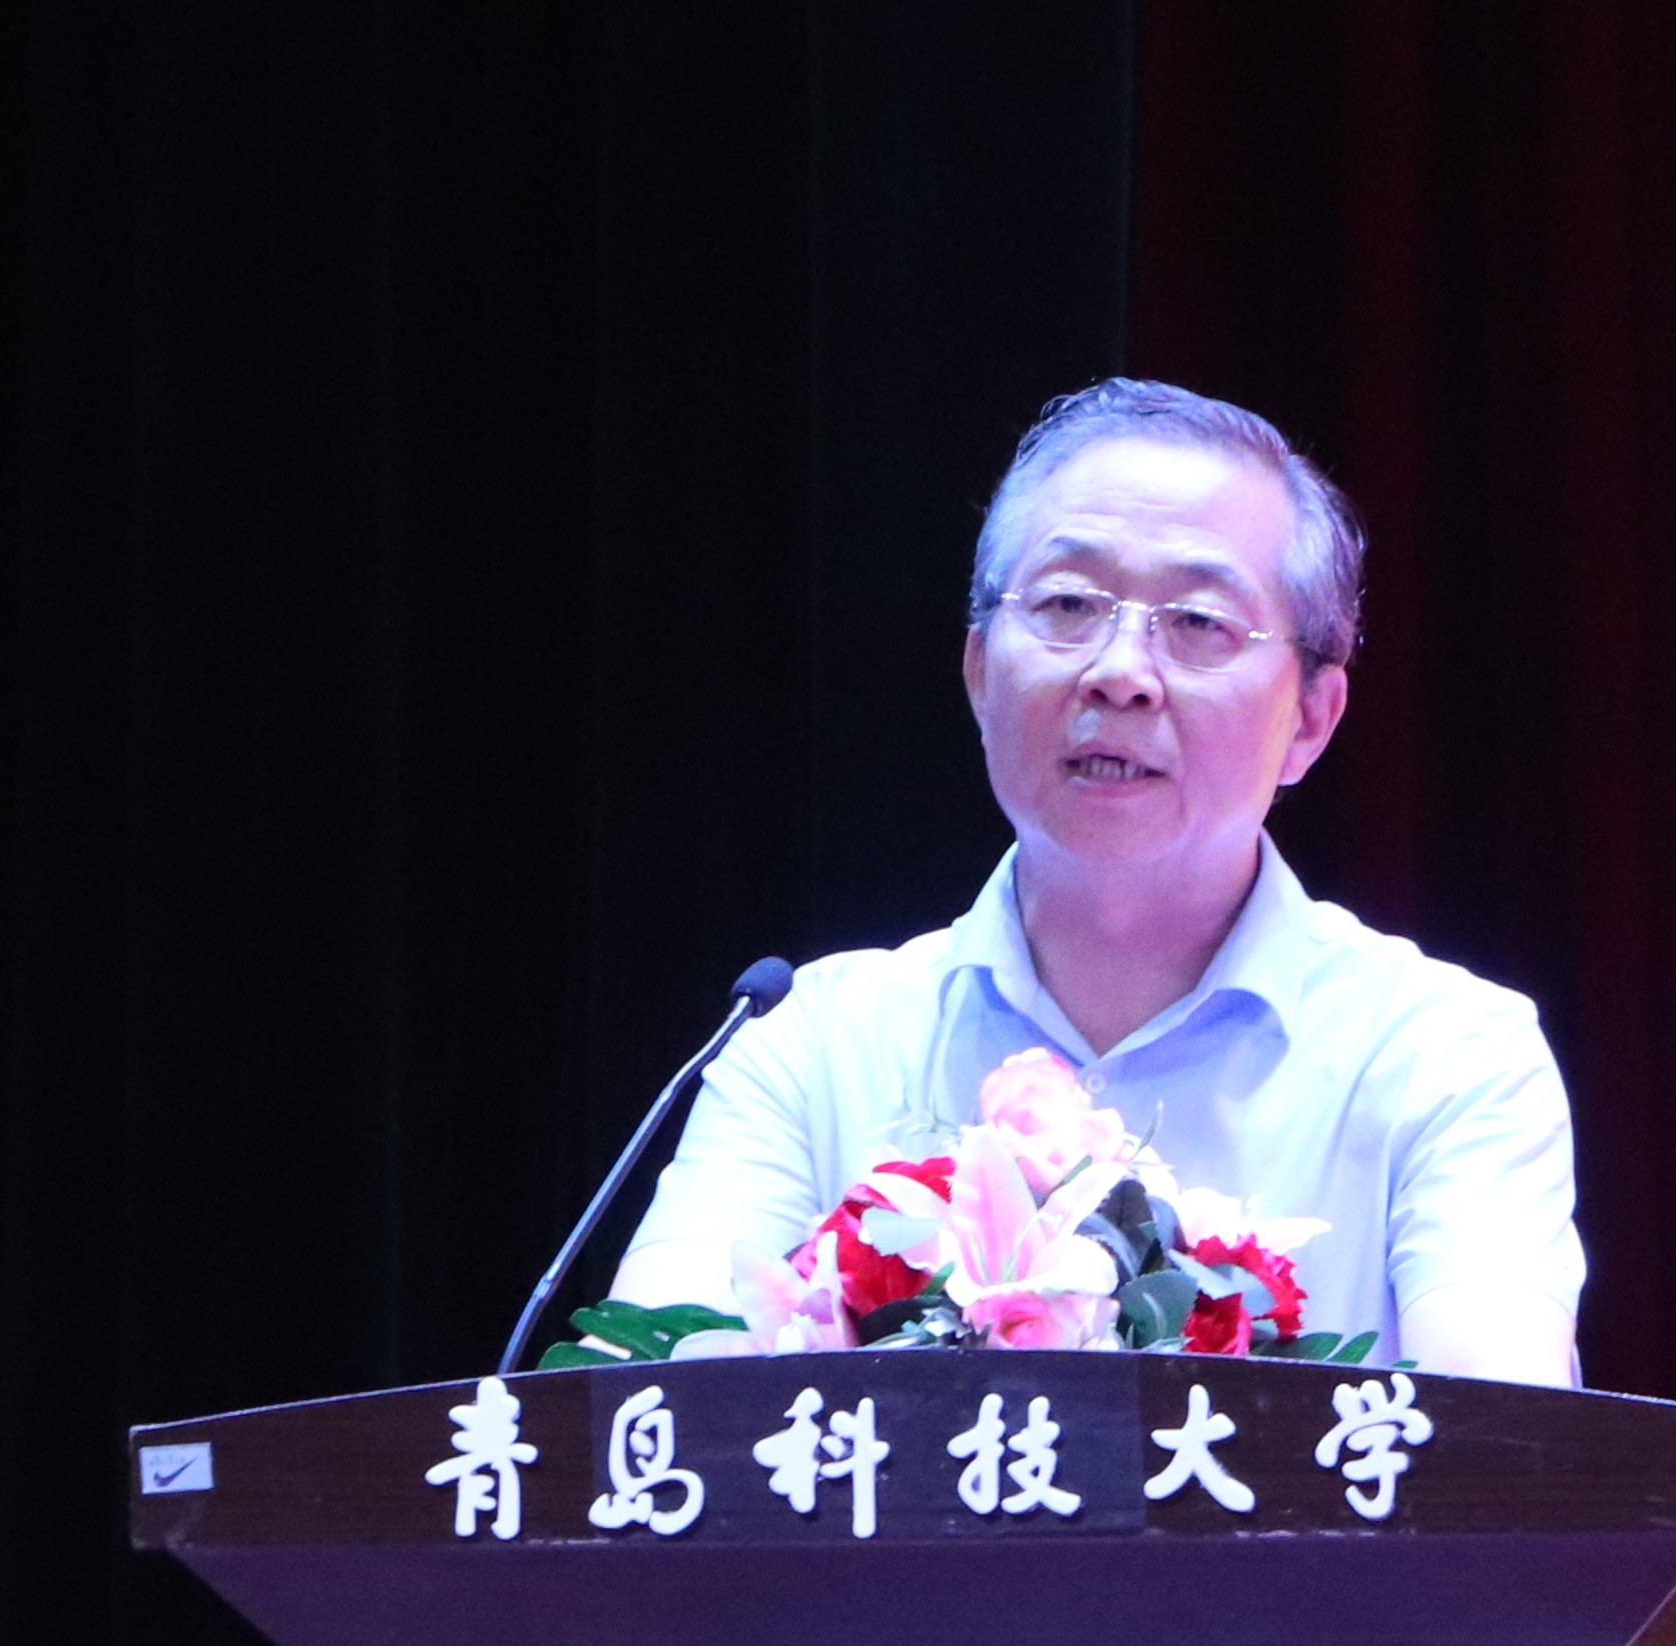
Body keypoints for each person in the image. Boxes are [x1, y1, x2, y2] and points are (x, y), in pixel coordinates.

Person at [608, 379, 1586, 1385]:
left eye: (1198, 622)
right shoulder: (809, 1045)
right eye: (1069, 605)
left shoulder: (1445, 1058)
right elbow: (632, 1412)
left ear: (1310, 719)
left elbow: (1504, 1443)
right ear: (978, 672)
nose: (1121, 671)